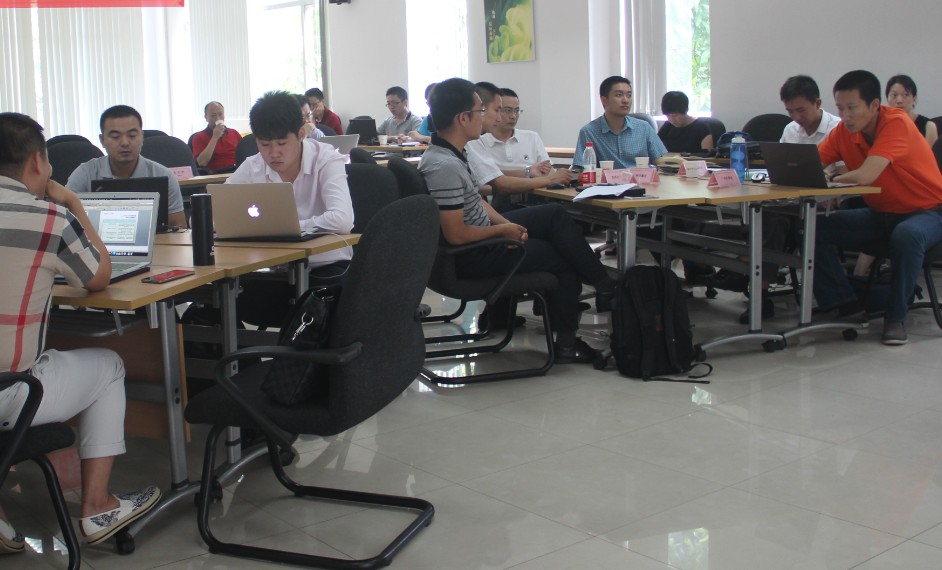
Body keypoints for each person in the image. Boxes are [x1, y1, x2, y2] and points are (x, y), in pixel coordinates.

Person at [0, 112, 160, 551]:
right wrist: (73, 203)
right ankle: (97, 505)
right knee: (108, 364)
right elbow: (99, 276)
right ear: (37, 162)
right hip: (8, 393)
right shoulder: (50, 217)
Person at [419, 77, 616, 364]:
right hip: (472, 254)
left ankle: (603, 285)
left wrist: (504, 225)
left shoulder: (451, 152)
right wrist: (501, 232)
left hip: (483, 238)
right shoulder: (444, 166)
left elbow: (476, 202)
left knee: (553, 214)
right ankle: (568, 342)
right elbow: (456, 234)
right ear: (463, 118)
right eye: (481, 111)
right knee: (562, 258)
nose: (490, 117)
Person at [812, 70, 942, 345]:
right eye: (840, 108)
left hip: (930, 212)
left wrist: (829, 177)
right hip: (882, 213)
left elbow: (865, 176)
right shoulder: (843, 132)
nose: (845, 116)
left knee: (907, 234)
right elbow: (811, 164)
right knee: (812, 228)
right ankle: (845, 304)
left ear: (874, 105)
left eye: (852, 107)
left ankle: (896, 318)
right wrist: (810, 172)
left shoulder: (896, 123)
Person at [227, 91, 354, 327]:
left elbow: (343, 219)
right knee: (224, 300)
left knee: (318, 316)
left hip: (326, 268)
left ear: (301, 134)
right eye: (265, 144)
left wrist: (285, 228)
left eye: (282, 143)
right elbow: (215, 210)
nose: (273, 153)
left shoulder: (326, 159)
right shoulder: (252, 166)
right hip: (274, 270)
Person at [66, 105, 187, 229]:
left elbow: (179, 227)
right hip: (95, 241)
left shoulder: (163, 175)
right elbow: (64, 224)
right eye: (115, 137)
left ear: (142, 136)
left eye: (132, 135)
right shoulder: (85, 174)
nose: (125, 143)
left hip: (156, 241)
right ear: (102, 140)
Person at [466, 82, 571, 212]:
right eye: (504, 110)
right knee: (556, 212)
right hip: (500, 204)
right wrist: (543, 177)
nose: (513, 116)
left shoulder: (531, 137)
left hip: (532, 199)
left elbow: (548, 170)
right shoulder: (475, 141)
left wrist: (540, 175)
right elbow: (498, 183)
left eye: (516, 110)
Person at [574, 76, 668, 169]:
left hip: (641, 178)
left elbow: (661, 161)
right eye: (619, 95)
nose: (625, 100)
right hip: (606, 179)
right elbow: (580, 168)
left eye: (629, 95)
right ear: (604, 100)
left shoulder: (644, 128)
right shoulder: (589, 132)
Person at [779, 75, 841, 145]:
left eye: (801, 110)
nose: (796, 118)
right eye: (790, 111)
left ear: (817, 104)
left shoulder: (839, 129)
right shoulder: (790, 129)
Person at [885, 74, 938, 148]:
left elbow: (930, 155)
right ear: (887, 98)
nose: (899, 100)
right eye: (894, 95)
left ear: (914, 99)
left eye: (905, 94)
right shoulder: (881, 125)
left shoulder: (928, 127)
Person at [190, 101, 242, 173]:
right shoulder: (198, 137)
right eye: (213, 115)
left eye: (220, 114)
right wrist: (215, 137)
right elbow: (202, 162)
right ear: (206, 117)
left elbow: (245, 155)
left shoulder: (234, 133)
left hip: (237, 172)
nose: (218, 118)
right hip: (215, 175)